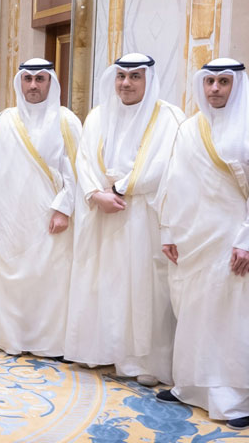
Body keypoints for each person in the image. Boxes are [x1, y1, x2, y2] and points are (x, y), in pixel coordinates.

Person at [64, 53, 183, 386]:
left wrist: (120, 187)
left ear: (148, 79)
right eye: (121, 76)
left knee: (144, 287)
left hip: (143, 215)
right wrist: (95, 194)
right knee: (103, 283)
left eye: (134, 76)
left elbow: (164, 166)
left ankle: (146, 361)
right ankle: (101, 350)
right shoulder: (98, 116)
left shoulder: (169, 118)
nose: (126, 83)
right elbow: (84, 160)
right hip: (102, 215)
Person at [156, 58, 249, 428]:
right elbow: (172, 181)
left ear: (236, 85)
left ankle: (234, 398)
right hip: (192, 237)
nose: (215, 89)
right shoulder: (190, 128)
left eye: (224, 82)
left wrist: (247, 239)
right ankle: (190, 386)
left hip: (233, 238)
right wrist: (168, 230)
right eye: (210, 82)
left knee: (230, 317)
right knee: (194, 312)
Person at [0, 59, 81, 357]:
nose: (33, 85)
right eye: (28, 79)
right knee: (7, 273)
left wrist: (65, 209)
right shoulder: (4, 120)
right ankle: (7, 336)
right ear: (20, 82)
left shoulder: (66, 121)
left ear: (51, 82)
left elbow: (76, 169)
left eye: (40, 79)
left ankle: (48, 343)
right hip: (9, 215)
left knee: (48, 278)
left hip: (49, 215)